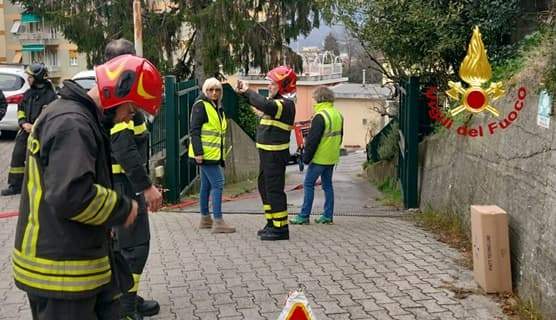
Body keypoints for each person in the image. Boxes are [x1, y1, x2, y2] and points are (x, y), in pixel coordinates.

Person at [12, 55, 163, 320]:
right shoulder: (73, 124)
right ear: (118, 94)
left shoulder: (76, 117)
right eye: (131, 109)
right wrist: (122, 208)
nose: (128, 118)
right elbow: (73, 195)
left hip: (72, 264)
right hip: (60, 276)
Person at [104, 39, 162, 319]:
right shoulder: (117, 100)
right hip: (122, 188)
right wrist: (147, 187)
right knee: (132, 249)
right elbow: (125, 150)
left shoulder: (124, 98)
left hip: (127, 186)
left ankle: (129, 298)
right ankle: (124, 308)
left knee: (130, 249)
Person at [236, 66, 297, 241]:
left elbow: (264, 105)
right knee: (264, 187)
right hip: (267, 154)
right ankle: (271, 222)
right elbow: (261, 104)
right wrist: (243, 94)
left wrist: (249, 91)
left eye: (272, 83)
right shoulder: (278, 103)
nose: (269, 86)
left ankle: (281, 228)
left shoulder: (285, 105)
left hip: (275, 155)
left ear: (283, 85)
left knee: (274, 190)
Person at [290, 86, 343, 225]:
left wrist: (306, 158)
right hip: (332, 157)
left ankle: (304, 216)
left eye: (314, 98)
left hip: (319, 158)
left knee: (308, 184)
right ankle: (327, 216)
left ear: (319, 99)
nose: (312, 101)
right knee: (328, 186)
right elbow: (340, 137)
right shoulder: (337, 114)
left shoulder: (320, 116)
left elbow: (312, 141)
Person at [188, 77, 235, 233]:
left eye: (217, 90)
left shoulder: (216, 107)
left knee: (206, 186)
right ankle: (218, 221)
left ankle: (205, 219)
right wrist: (198, 153)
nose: (214, 93)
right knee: (218, 183)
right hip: (206, 155)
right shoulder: (200, 106)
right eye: (210, 90)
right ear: (205, 91)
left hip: (213, 154)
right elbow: (194, 131)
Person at [1, 64, 57, 196]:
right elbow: (21, 110)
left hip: (41, 134)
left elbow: (50, 115)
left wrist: (36, 126)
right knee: (17, 156)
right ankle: (15, 186)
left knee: (41, 159)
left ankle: (46, 185)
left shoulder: (50, 96)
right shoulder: (28, 94)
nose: (28, 79)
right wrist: (23, 123)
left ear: (37, 78)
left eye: (30, 77)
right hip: (25, 132)